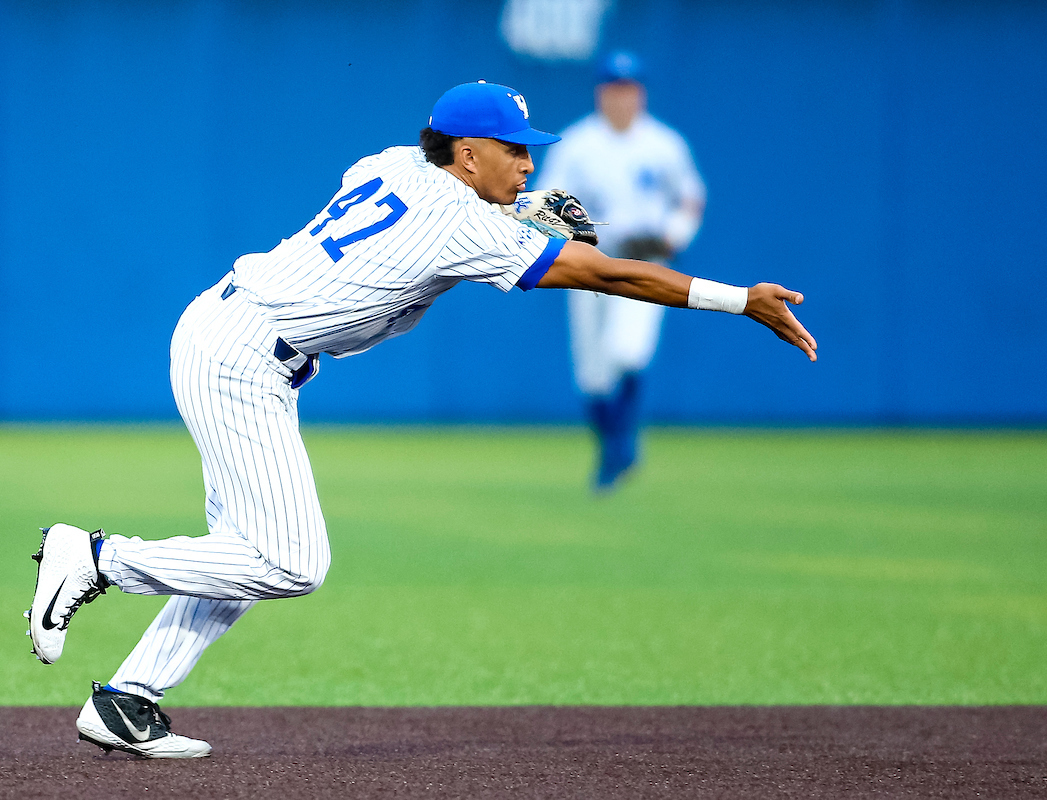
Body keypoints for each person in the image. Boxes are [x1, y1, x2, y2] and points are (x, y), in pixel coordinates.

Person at [26, 80, 817, 759]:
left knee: (239, 556)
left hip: (229, 333)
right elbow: (603, 271)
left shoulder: (393, 162)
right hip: (242, 358)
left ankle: (125, 698)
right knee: (292, 563)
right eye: (514, 149)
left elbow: (439, 204)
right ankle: (95, 558)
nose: (529, 161)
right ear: (468, 153)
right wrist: (737, 298)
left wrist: (525, 206)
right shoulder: (464, 223)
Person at [536, 51, 706, 491]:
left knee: (628, 352)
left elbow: (690, 198)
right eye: (613, 88)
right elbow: (545, 201)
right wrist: (587, 235)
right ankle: (613, 447)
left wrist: (674, 235)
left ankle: (620, 449)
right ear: (600, 92)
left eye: (628, 89)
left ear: (640, 93)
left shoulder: (664, 144)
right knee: (592, 372)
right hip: (590, 263)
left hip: (645, 261)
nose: (621, 97)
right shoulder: (578, 143)